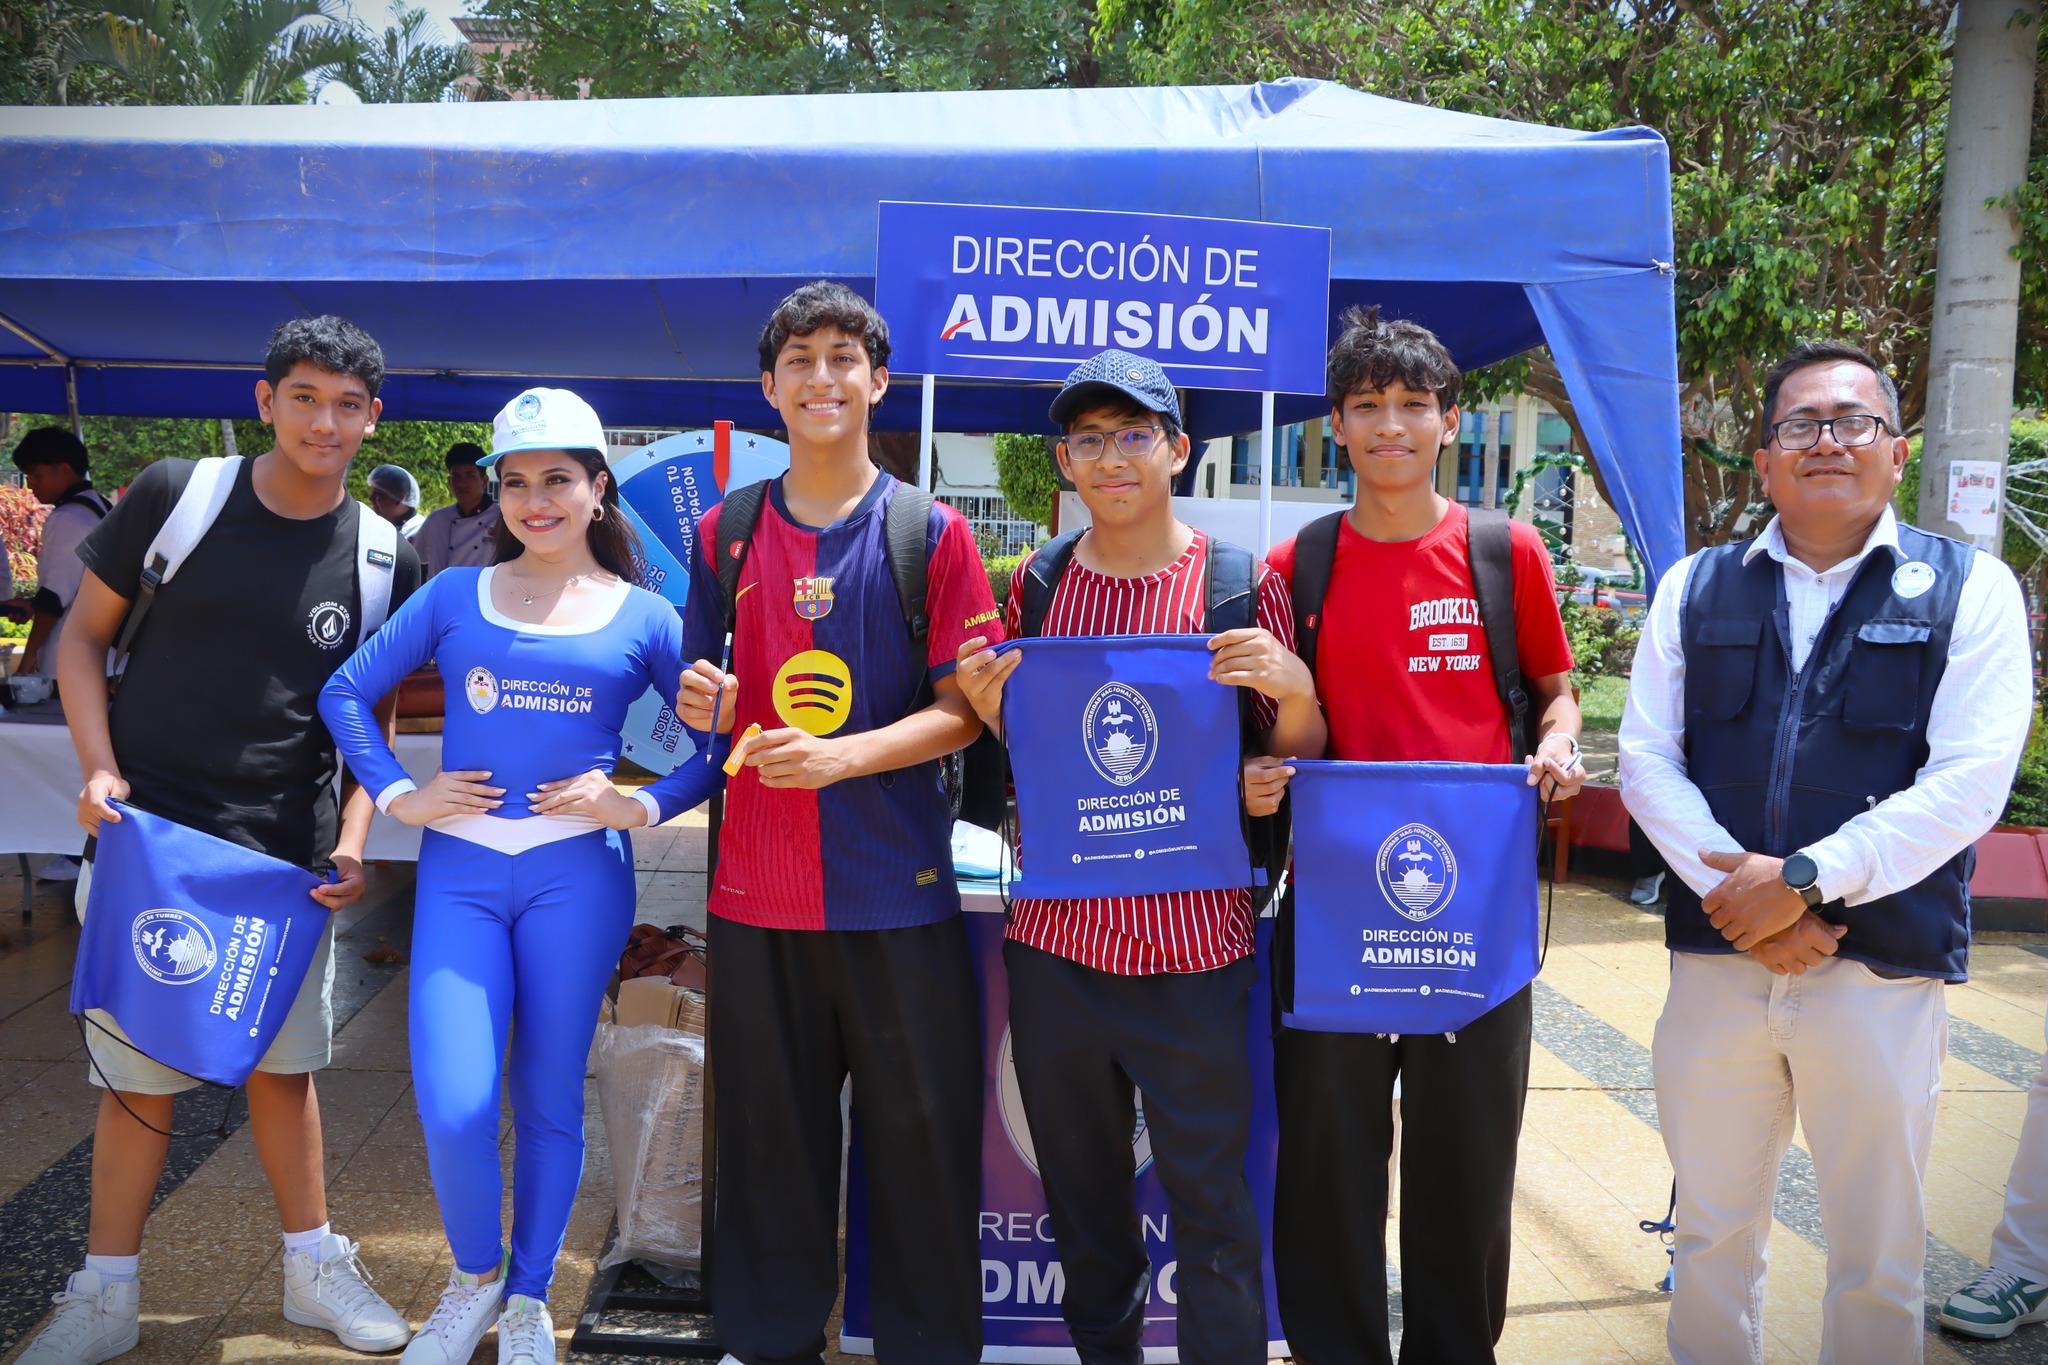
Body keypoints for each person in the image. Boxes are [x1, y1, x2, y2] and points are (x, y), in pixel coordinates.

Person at [1619, 339, 2033, 1364]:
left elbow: (1967, 783)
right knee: (1711, 1234)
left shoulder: (1964, 591)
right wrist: (1742, 900)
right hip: (1716, 968)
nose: (1824, 441)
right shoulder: (1693, 587)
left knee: (1875, 1251)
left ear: (1894, 453)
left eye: (1851, 421)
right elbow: (1643, 761)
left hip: (1879, 973)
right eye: (1798, 424)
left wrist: (1800, 880)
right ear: (1761, 460)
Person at [28, 316, 420, 1365]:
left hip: (280, 871)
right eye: (303, 397)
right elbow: (82, 642)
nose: (323, 421)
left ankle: (311, 1270)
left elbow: (367, 720)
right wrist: (98, 769)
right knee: (137, 1084)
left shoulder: (385, 557)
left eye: (346, 405)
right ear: (265, 400)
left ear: (371, 415)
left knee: (282, 1079)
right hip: (149, 849)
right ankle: (104, 1293)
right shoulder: (177, 494)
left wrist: (353, 834)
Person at [322, 386, 721, 1365]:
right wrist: (397, 796)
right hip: (459, 875)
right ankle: (473, 1277)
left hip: (576, 881)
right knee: (454, 1100)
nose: (534, 500)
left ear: (596, 491)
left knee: (546, 1095)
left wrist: (639, 804)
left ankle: (531, 1294)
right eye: (514, 483)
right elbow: (345, 690)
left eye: (556, 480)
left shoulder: (645, 616)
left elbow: (718, 745)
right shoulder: (454, 594)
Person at [954, 350, 1326, 1362]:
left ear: (1177, 448)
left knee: (1212, 1212)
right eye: (1087, 440)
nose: (1110, 459)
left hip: (1194, 952)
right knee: (1083, 1213)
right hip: (1056, 952)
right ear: (1061, 464)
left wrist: (1291, 691)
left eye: (1132, 435)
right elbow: (1032, 765)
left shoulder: (1236, 584)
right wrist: (991, 720)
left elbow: (1288, 756)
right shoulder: (1031, 588)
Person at [673, 281, 996, 1365]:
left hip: (895, 893)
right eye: (799, 359)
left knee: (920, 1140)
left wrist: (844, 758)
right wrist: (702, 704)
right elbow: (704, 692)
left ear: (877, 381)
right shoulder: (723, 535)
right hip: (756, 892)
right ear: (769, 388)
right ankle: (766, 1336)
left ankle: (925, 1342)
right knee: (768, 1142)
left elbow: (964, 713)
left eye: (841, 357)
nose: (821, 376)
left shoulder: (930, 531)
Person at [1263, 306, 1584, 1365]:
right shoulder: (1296, 563)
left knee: (1464, 1170)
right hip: (1332, 917)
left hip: (1475, 919)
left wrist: (1559, 744)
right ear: (1340, 425)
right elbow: (1272, 724)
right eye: (1367, 408)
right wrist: (1260, 774)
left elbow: (1555, 691)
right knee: (1324, 1171)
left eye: (1412, 406)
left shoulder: (1502, 551)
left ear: (1449, 421)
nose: (1389, 425)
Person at [7, 427, 111, 680]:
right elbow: (78, 585)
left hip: (71, 662)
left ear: (63, 469)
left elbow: (53, 599)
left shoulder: (68, 518)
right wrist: (32, 604)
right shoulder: (100, 507)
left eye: (36, 475)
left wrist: (29, 656)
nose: (30, 484)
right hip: (104, 655)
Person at [412, 441, 502, 576]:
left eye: (469, 475)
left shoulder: (502, 519)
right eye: (456, 476)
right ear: (449, 482)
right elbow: (415, 558)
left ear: (484, 481)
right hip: (440, 594)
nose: (461, 483)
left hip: (482, 595)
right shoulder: (436, 520)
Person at [367, 463, 426, 539]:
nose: (371, 498)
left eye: (379, 495)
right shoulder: (374, 525)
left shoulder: (420, 532)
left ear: (399, 498)